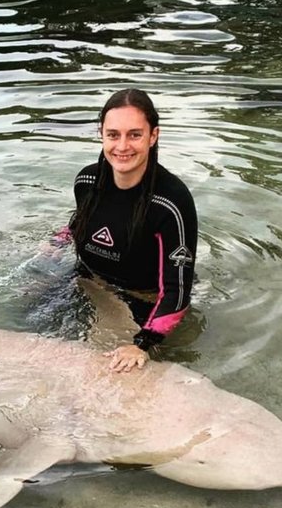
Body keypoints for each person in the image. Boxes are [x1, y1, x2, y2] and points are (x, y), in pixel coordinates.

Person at [53, 88, 198, 373]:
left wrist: (141, 344)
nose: (122, 146)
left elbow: (178, 290)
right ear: (101, 134)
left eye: (134, 134)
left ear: (153, 136)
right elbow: (83, 219)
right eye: (113, 134)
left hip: (143, 302)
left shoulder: (171, 203)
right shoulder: (86, 180)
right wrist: (59, 240)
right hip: (86, 281)